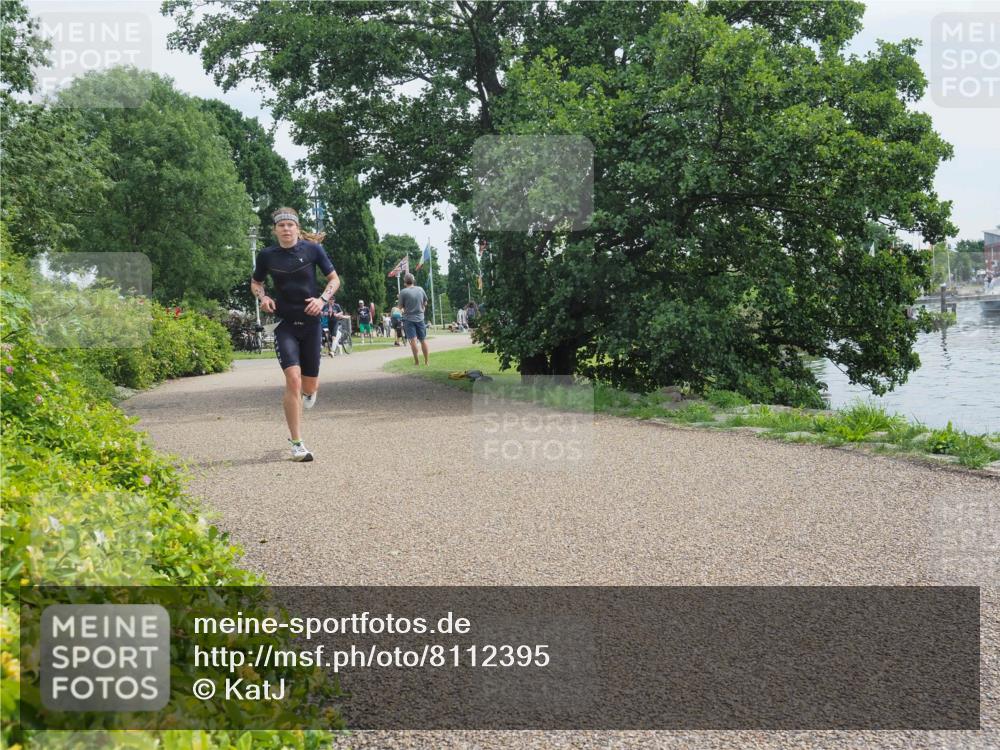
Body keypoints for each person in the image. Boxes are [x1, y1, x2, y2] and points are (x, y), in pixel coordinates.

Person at [252, 207, 339, 462]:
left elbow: (334, 280)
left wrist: (323, 300)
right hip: (285, 325)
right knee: (293, 379)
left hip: (311, 324)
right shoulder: (267, 255)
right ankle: (297, 443)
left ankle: (310, 392)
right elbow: (256, 283)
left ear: (297, 228)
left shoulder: (313, 250)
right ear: (275, 230)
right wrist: (263, 297)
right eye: (281, 226)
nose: (286, 229)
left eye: (290, 225)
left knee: (309, 385)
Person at [399, 272, 429, 365]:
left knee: (413, 340)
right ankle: (426, 362)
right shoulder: (420, 289)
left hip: (409, 319)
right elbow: (425, 303)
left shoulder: (403, 292)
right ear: (413, 281)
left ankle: (416, 362)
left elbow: (400, 307)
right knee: (423, 340)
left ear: (405, 282)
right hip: (420, 318)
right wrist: (422, 309)